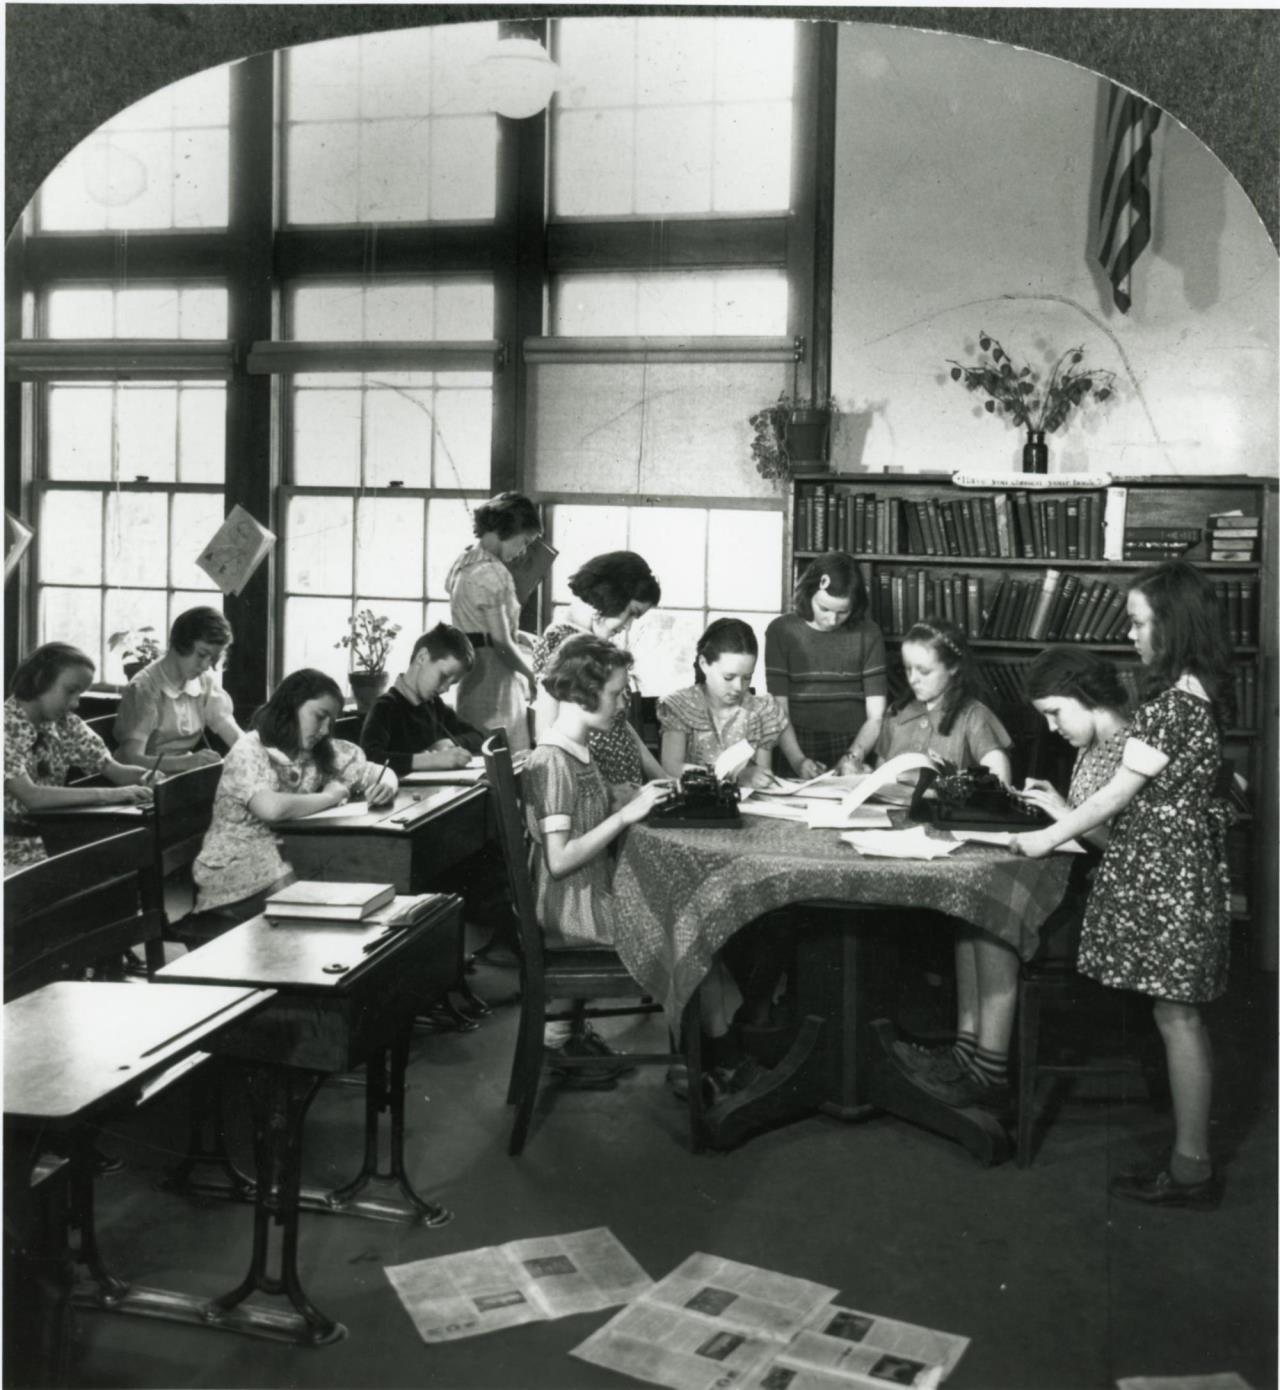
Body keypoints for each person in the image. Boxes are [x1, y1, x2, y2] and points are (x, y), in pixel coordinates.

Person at [1012, 561, 1235, 1209]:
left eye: (1139, 622)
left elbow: (1115, 795)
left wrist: (1046, 837)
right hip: (1177, 867)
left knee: (1178, 1017)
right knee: (1176, 1015)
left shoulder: (1171, 707)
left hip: (1170, 875)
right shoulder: (1196, 695)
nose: (1132, 635)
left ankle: (1192, 1168)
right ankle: (1189, 1161)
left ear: (1172, 624)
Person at [894, 645, 1131, 1108]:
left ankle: (989, 1072)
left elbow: (1127, 845)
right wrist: (1062, 811)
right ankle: (966, 1052)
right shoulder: (1094, 742)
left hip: (1109, 899)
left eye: (1056, 713)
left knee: (992, 912)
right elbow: (1094, 822)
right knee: (971, 909)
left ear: (1084, 695)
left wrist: (1067, 816)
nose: (1051, 727)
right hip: (1084, 879)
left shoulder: (1128, 747)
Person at [523, 634, 674, 1082]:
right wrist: (627, 813)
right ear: (583, 694)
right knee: (686, 926)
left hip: (583, 899)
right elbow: (560, 859)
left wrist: (624, 796)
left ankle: (565, 1037)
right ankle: (695, 1062)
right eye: (615, 693)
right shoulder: (552, 761)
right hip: (570, 910)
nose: (623, 702)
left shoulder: (579, 749)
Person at [879, 618, 1016, 1107]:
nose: (914, 680)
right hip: (896, 841)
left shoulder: (973, 717)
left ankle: (971, 1059)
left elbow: (998, 775)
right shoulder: (900, 714)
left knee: (965, 926)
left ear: (953, 669)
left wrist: (970, 786)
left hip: (949, 848)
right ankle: (957, 1051)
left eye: (925, 670)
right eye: (908, 670)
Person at [192, 668, 396, 926]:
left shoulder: (315, 750)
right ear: (291, 705)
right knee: (313, 893)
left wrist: (387, 784)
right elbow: (271, 809)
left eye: (330, 722)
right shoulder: (250, 749)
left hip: (286, 857)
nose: (324, 730)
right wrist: (330, 796)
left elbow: (378, 771)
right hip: (234, 871)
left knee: (350, 876)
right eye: (319, 716)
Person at [4, 642, 155, 872]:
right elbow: (31, 797)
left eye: (80, 694)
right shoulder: (6, 728)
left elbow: (114, 770)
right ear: (40, 679)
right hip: (11, 850)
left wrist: (145, 776)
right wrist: (110, 795)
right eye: (70, 690)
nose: (75, 703)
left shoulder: (65, 723)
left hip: (55, 838)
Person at [532, 551, 665, 787]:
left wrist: (663, 778)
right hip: (594, 795)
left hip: (621, 791)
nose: (627, 626)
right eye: (631, 613)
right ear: (611, 597)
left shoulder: (593, 643)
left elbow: (620, 724)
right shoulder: (561, 643)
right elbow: (547, 734)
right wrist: (602, 793)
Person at [764, 551, 888, 778]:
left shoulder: (869, 633)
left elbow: (876, 716)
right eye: (824, 609)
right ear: (808, 592)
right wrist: (798, 760)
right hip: (793, 742)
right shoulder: (781, 631)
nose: (832, 620)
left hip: (855, 743)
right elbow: (778, 711)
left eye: (843, 612)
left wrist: (852, 758)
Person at [658, 617, 807, 789]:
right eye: (729, 677)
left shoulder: (761, 711)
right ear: (704, 664)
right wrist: (734, 775)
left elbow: (762, 774)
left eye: (747, 677)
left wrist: (799, 763)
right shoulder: (681, 706)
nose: (739, 687)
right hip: (696, 806)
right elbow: (671, 767)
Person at [446, 492, 542, 753]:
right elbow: (500, 642)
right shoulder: (493, 573)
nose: (523, 550)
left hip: (470, 669)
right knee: (506, 753)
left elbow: (478, 626)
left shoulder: (463, 563)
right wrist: (533, 677)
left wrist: (518, 635)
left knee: (480, 745)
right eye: (525, 541)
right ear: (508, 529)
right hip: (494, 674)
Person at [113, 606, 243, 775]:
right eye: (202, 654)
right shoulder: (145, 688)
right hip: (142, 780)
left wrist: (259, 754)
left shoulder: (204, 684)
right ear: (181, 643)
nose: (205, 666)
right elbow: (130, 759)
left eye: (212, 658)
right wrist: (188, 762)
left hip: (180, 777)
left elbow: (236, 737)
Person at [360, 624, 483, 776]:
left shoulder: (434, 705)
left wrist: (447, 743)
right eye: (443, 677)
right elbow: (369, 759)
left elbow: (477, 736)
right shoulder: (385, 707)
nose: (445, 689)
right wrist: (432, 760)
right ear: (422, 658)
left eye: (452, 683)